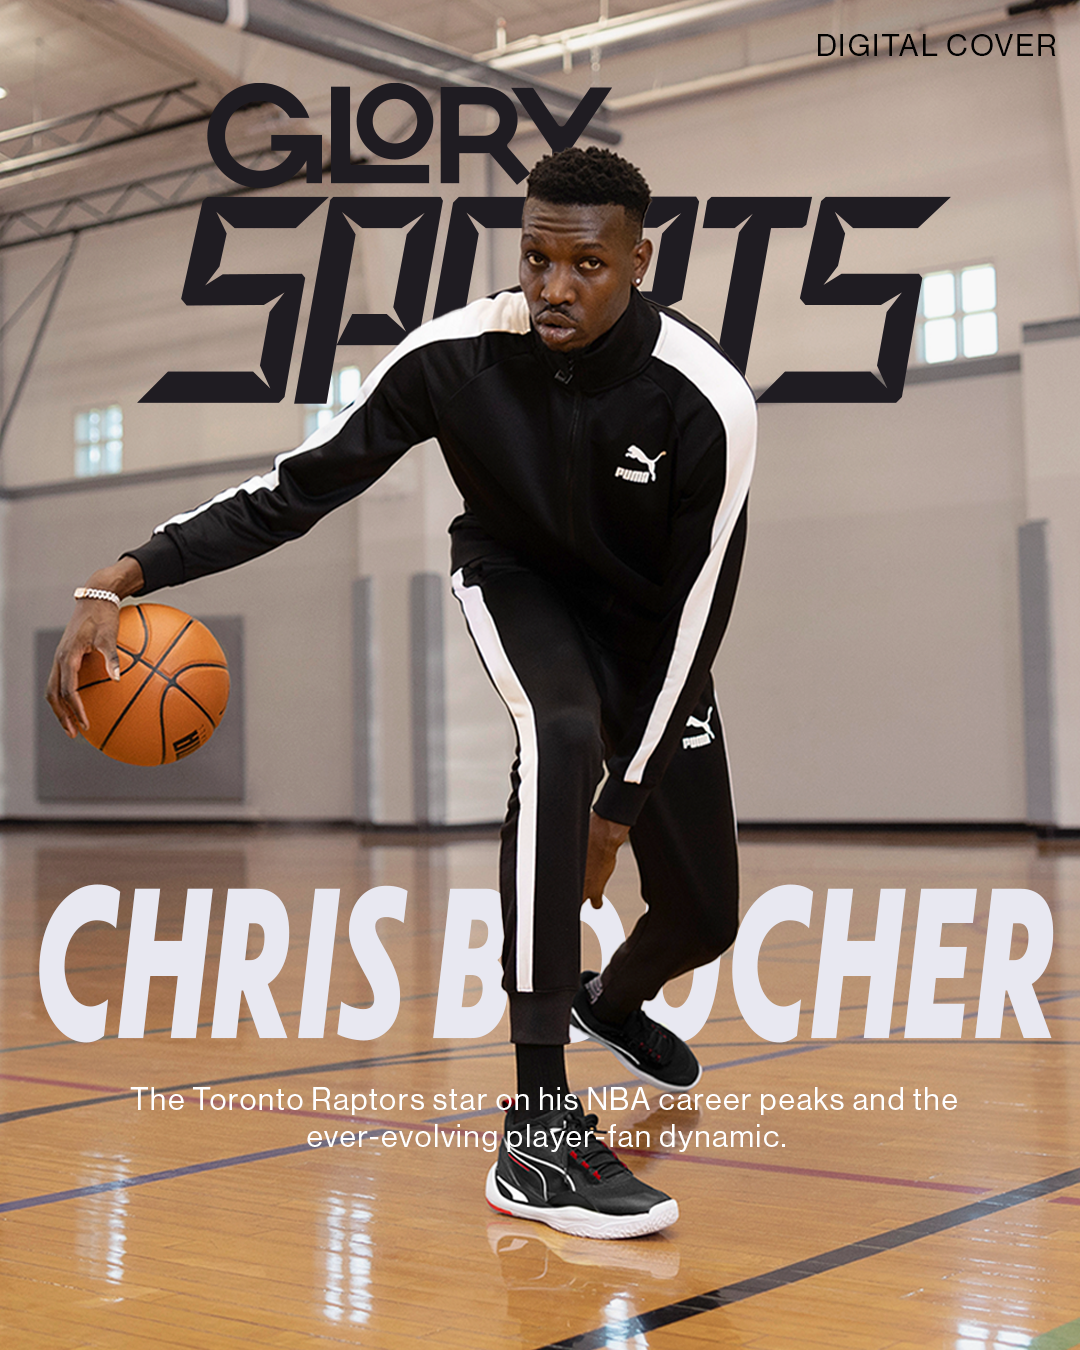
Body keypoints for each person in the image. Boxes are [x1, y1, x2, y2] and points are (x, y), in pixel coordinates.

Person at [47, 146, 756, 1240]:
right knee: (557, 733)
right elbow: (295, 488)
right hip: (518, 586)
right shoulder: (457, 358)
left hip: (654, 633)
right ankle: (539, 1128)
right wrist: (124, 575)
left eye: (585, 265)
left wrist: (623, 811)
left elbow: (701, 611)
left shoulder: (704, 400)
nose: (554, 288)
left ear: (639, 260)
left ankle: (608, 1000)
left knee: (704, 914)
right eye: (535, 259)